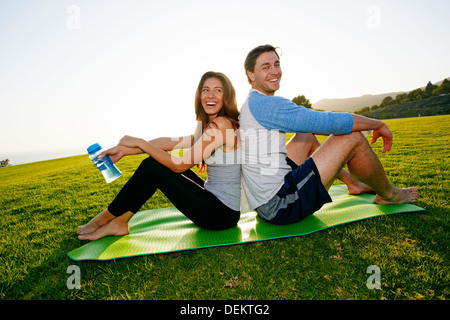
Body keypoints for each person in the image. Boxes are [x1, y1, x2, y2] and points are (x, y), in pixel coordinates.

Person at [240, 44, 418, 225]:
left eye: (276, 64)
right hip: (279, 205)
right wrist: (377, 124)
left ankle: (352, 183)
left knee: (306, 135)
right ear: (251, 75)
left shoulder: (253, 101)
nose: (274, 71)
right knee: (352, 137)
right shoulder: (265, 105)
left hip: (265, 197)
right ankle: (390, 194)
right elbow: (327, 122)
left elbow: (310, 126)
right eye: (265, 67)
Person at [77, 71, 241, 240]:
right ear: (199, 95)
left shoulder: (221, 125)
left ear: (226, 96)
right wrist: (124, 151)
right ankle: (120, 222)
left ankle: (102, 219)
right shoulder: (211, 127)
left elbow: (180, 165)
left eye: (218, 90)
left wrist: (140, 142)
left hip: (220, 215)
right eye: (206, 90)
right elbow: (168, 142)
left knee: (152, 167)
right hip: (217, 204)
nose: (210, 95)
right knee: (155, 164)